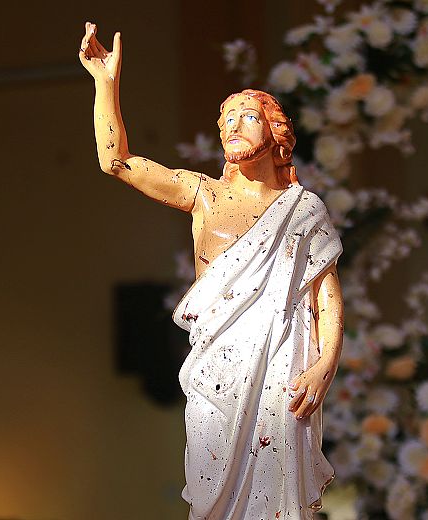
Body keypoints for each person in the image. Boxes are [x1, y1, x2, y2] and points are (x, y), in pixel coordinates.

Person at [79, 22, 344, 519]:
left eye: (247, 117)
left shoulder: (302, 210)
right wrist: (105, 83)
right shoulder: (203, 193)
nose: (232, 127)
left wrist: (326, 361)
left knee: (279, 494)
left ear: (274, 131)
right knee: (211, 493)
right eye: (226, 120)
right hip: (217, 364)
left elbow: (323, 291)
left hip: (282, 364)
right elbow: (116, 161)